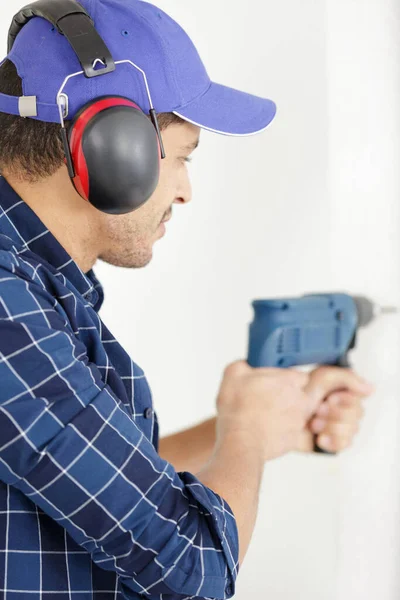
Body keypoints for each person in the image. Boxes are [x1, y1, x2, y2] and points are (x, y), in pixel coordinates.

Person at [0, 0, 373, 598]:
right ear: (111, 147)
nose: (185, 190)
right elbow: (192, 572)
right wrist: (245, 437)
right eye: (182, 156)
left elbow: (95, 494)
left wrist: (241, 429)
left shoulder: (37, 287)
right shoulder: (6, 302)